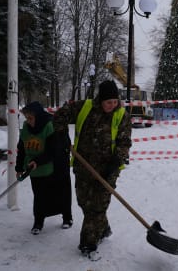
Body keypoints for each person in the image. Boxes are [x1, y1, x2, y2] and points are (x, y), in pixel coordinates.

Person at [53, 80, 132, 258]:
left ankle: (88, 243)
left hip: (108, 169)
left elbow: (125, 141)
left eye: (114, 101)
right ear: (100, 99)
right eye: (108, 102)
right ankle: (102, 228)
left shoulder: (122, 115)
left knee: (97, 206)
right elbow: (60, 115)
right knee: (84, 202)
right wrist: (62, 134)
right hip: (83, 166)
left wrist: (115, 161)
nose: (112, 105)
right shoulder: (85, 107)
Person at [15, 101, 73, 235]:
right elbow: (21, 148)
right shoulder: (26, 128)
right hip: (35, 168)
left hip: (55, 166)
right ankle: (38, 221)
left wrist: (38, 161)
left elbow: (53, 150)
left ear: (38, 116)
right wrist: (19, 168)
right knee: (39, 195)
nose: (28, 121)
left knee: (61, 193)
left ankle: (67, 218)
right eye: (27, 118)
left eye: (31, 118)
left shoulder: (50, 126)